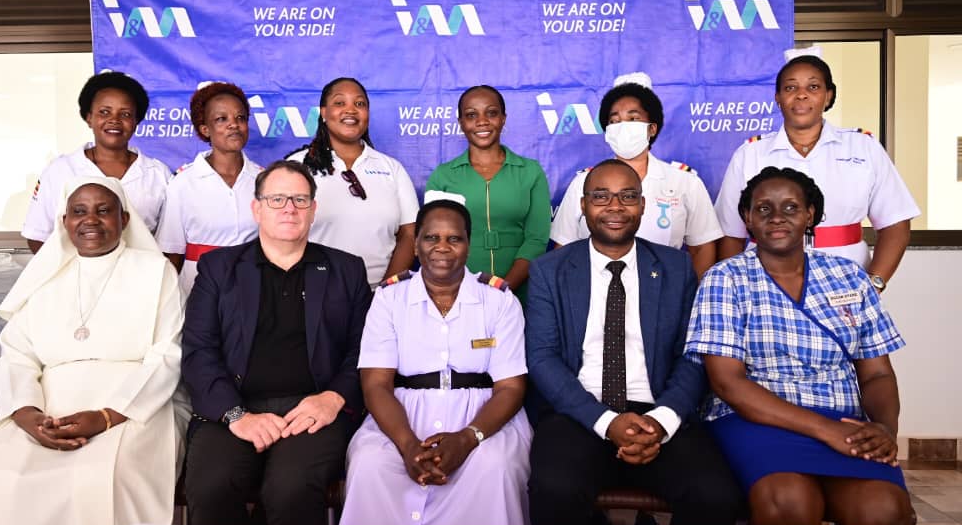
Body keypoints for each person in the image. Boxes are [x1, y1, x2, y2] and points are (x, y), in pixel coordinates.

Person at [0, 176, 185, 525]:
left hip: (134, 404)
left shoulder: (155, 272)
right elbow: (16, 356)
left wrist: (105, 417)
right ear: (64, 221)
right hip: (48, 405)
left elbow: (168, 354)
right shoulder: (44, 277)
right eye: (79, 212)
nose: (91, 220)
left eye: (104, 211)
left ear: (125, 220)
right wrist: (28, 415)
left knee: (104, 479)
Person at [685, 166, 915, 525]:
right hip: (756, 419)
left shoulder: (850, 276)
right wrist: (826, 431)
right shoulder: (725, 278)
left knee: (883, 511)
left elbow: (878, 372)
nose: (777, 217)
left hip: (845, 420)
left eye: (791, 208)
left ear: (810, 215)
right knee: (790, 503)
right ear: (747, 218)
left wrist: (885, 428)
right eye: (763, 209)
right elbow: (728, 383)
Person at [526, 159, 740, 525]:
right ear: (583, 205)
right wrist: (606, 422)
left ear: (642, 205)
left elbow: (691, 355)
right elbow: (543, 358)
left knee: (716, 495)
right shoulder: (550, 270)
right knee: (554, 490)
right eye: (601, 196)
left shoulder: (676, 267)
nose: (614, 207)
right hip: (579, 413)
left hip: (658, 411)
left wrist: (661, 421)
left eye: (627, 196)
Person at [181, 160, 372, 525]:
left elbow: (362, 351)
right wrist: (237, 416)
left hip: (314, 410)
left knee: (291, 488)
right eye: (277, 199)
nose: (289, 208)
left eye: (300, 200)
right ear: (256, 208)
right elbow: (199, 352)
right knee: (212, 486)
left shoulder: (346, 270)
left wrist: (333, 398)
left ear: (314, 210)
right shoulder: (219, 268)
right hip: (233, 411)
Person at [339, 196, 532, 525]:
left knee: (493, 465)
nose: (442, 247)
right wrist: (409, 445)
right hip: (402, 416)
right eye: (431, 238)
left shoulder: (499, 300)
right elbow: (376, 385)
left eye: (454, 238)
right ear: (415, 245)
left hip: (483, 417)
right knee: (370, 463)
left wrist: (468, 438)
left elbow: (511, 387)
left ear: (468, 245)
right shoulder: (388, 299)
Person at [715, 50, 919, 291]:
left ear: (828, 96)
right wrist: (733, 290)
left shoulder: (863, 147)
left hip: (846, 280)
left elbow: (895, 223)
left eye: (813, 87)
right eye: (790, 88)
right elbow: (731, 234)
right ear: (777, 98)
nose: (801, 95)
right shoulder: (750, 154)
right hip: (765, 281)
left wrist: (874, 284)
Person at [550, 73, 722, 278]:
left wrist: (687, 299)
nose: (623, 126)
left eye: (633, 118)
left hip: (663, 296)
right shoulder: (583, 182)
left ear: (652, 128)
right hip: (594, 294)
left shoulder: (685, 182)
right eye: (614, 121)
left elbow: (702, 248)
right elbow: (563, 249)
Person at [285, 77, 418, 288]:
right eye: (340, 103)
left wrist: (386, 291)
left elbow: (409, 235)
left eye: (359, 104)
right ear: (323, 112)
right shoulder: (296, 166)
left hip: (378, 297)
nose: (351, 110)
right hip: (311, 295)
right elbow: (278, 232)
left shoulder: (392, 168)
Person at [22, 72, 173, 253]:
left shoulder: (158, 174)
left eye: (125, 114)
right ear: (89, 118)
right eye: (104, 112)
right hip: (76, 279)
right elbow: (38, 236)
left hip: (140, 278)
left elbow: (169, 244)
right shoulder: (60, 170)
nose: (114, 120)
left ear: (136, 121)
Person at [425, 85, 551, 301]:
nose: (482, 121)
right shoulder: (443, 176)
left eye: (491, 113)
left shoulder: (530, 171)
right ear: (461, 123)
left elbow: (537, 239)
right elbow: (434, 241)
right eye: (471, 115)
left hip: (520, 291)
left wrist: (505, 288)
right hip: (460, 291)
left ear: (503, 119)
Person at [156, 82, 261, 298]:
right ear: (205, 129)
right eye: (222, 119)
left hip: (254, 290)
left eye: (240, 118)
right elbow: (171, 254)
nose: (234, 125)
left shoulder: (264, 180)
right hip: (199, 292)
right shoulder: (183, 183)